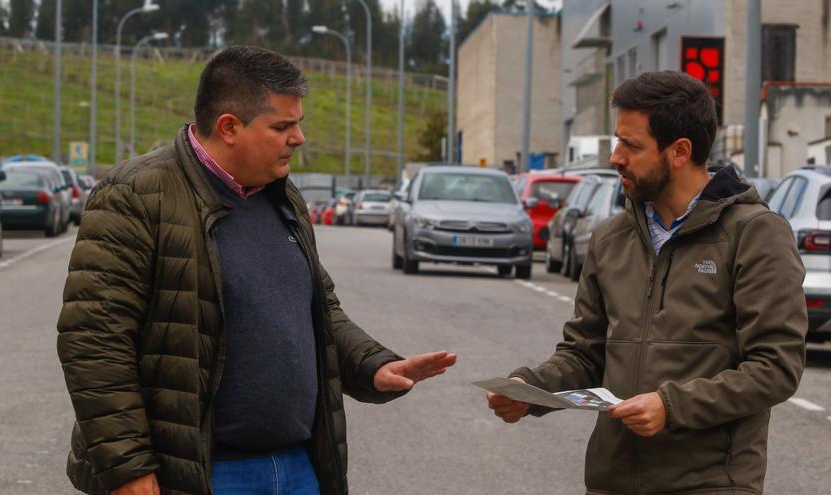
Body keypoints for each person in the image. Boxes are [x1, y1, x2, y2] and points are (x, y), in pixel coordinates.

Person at [57, 45, 456, 495]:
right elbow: (94, 341)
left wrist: (373, 365)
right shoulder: (135, 195)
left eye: (298, 123)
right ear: (229, 127)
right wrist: (128, 467)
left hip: (298, 466)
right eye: (282, 126)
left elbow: (318, 311)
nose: (299, 137)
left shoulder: (283, 198)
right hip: (197, 474)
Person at [486, 71, 806, 494]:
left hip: (710, 483)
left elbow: (775, 367)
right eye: (617, 140)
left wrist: (670, 407)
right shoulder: (610, 237)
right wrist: (531, 389)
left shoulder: (754, 233)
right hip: (612, 480)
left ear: (679, 151)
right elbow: (586, 352)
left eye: (631, 145)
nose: (616, 157)